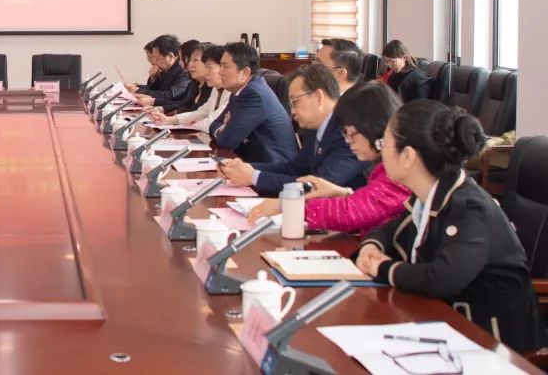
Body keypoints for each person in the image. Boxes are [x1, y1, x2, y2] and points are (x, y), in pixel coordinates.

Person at [353, 100, 544, 352]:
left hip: (493, 340)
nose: (381, 153)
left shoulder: (470, 209)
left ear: (408, 156)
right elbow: (393, 229)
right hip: (446, 324)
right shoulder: (430, 194)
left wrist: (382, 268)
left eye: (383, 144)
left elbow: (442, 278)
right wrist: (372, 245)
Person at [247, 81, 410, 233]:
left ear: (372, 127)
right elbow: (374, 205)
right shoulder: (385, 166)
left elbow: (352, 212)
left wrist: (288, 205)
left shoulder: (399, 172)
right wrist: (343, 194)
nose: (348, 141)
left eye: (351, 134)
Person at [219, 64, 369, 195]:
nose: (292, 112)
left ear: (318, 97)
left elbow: (319, 186)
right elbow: (293, 168)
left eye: (295, 102)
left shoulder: (350, 131)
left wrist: (253, 177)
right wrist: (244, 168)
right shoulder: (316, 127)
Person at [208, 42, 298, 163]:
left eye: (225, 66)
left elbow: (226, 140)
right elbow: (213, 125)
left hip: (273, 166)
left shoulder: (253, 95)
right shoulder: (239, 91)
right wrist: (225, 127)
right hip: (251, 159)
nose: (220, 72)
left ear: (245, 72)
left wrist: (227, 127)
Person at [148, 44, 228, 130]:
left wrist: (188, 125)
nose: (190, 64)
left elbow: (213, 121)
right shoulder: (215, 89)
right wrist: (169, 120)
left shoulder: (231, 93)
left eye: (209, 67)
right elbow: (200, 112)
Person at [138, 41, 212, 114]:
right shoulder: (194, 83)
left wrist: (153, 101)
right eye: (190, 60)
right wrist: (161, 108)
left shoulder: (183, 73)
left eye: (195, 60)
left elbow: (174, 96)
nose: (190, 64)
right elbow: (184, 103)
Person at [127, 34, 191, 101]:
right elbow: (156, 90)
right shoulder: (165, 69)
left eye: (157, 58)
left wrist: (138, 90)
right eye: (153, 57)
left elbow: (171, 95)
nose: (154, 61)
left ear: (170, 56)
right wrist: (153, 78)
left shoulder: (184, 70)